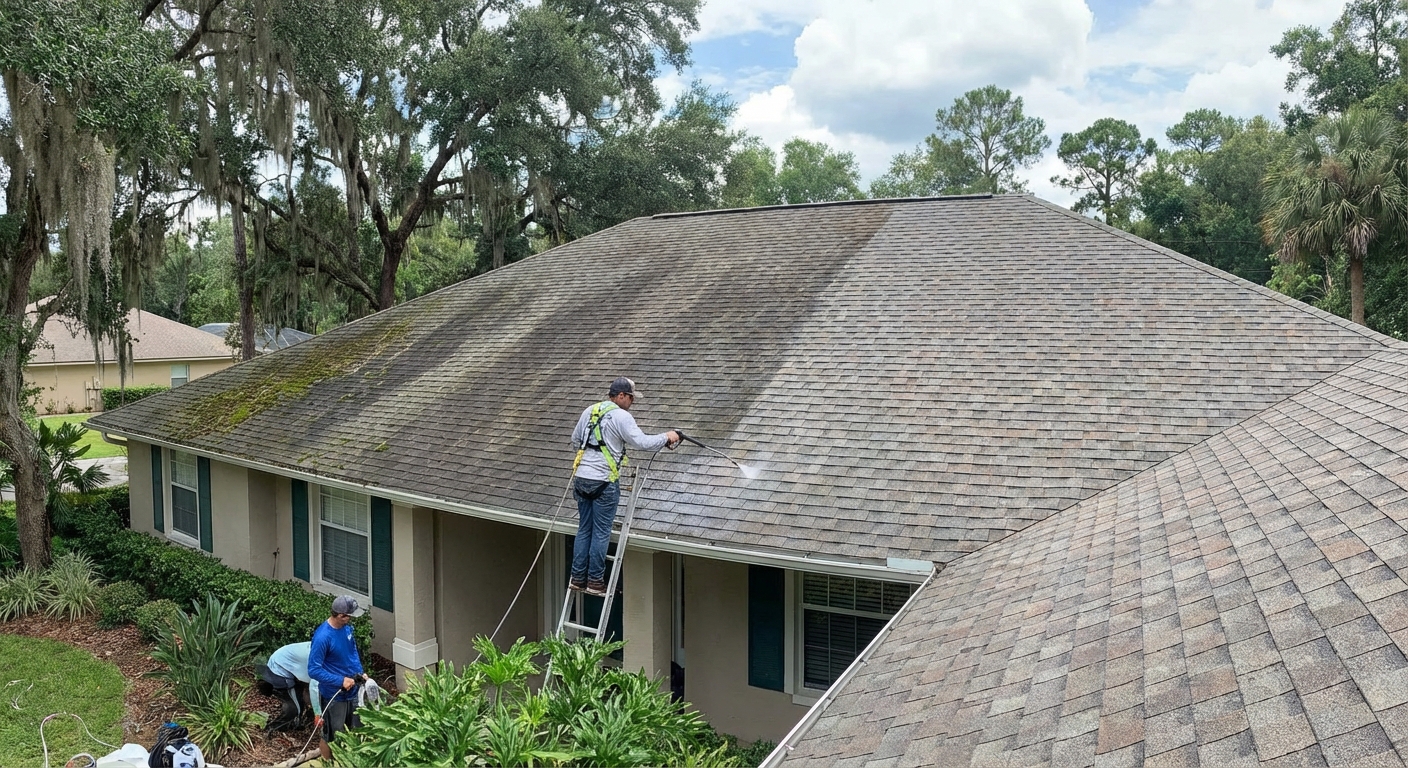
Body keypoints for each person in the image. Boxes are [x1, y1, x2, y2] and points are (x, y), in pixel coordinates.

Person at [570, 377, 679, 595]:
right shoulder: (622, 416)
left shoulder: (589, 411)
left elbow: (575, 440)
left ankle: (577, 578)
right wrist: (667, 436)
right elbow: (643, 443)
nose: (632, 403)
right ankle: (595, 581)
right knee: (601, 532)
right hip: (603, 482)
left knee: (584, 529)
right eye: (630, 398)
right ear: (621, 395)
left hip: (581, 479)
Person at [308, 595, 370, 761]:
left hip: (354, 691)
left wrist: (360, 672)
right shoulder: (323, 637)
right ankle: (328, 763)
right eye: (350, 616)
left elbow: (352, 653)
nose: (351, 619)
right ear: (342, 615)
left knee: (356, 729)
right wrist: (340, 680)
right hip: (334, 696)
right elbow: (313, 670)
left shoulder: (347, 629)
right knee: (332, 736)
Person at [256, 641, 320, 731]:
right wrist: (318, 713)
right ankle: (272, 728)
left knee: (302, 698)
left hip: (289, 664)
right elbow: (314, 687)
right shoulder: (321, 658)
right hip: (280, 669)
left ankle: (297, 721)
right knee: (294, 708)